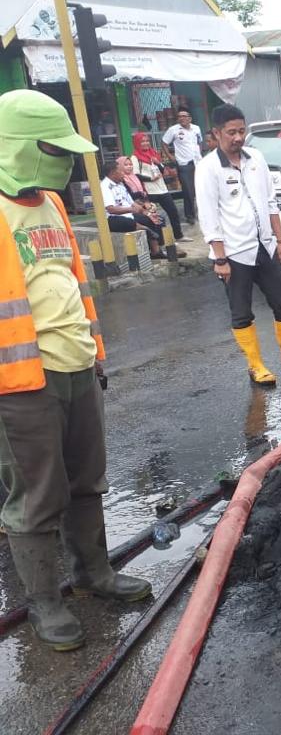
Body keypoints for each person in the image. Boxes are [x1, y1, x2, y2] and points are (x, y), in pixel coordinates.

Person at [0, 89, 152, 652]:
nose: (63, 162)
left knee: (87, 482)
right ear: (17, 146)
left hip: (77, 366)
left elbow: (70, 287)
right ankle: (44, 602)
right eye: (52, 148)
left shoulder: (53, 204)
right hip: (19, 384)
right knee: (38, 495)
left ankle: (94, 572)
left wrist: (94, 353)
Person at [195, 104, 281, 385]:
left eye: (241, 131)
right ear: (216, 133)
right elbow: (209, 216)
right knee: (241, 311)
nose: (238, 138)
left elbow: (270, 201)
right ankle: (255, 365)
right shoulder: (207, 169)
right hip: (234, 251)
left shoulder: (256, 159)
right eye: (231, 133)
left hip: (264, 246)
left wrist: (280, 240)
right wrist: (220, 259)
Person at [100, 160, 168, 260]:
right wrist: (131, 209)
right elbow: (111, 209)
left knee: (156, 219)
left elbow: (132, 203)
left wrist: (147, 213)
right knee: (128, 222)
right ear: (113, 173)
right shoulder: (105, 187)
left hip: (129, 214)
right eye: (121, 171)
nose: (124, 174)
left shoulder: (120, 184)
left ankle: (156, 251)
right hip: (113, 218)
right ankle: (146, 230)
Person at [131, 133, 189, 242]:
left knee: (173, 211)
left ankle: (179, 235)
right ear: (137, 143)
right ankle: (159, 241)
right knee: (152, 216)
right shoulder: (135, 157)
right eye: (142, 141)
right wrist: (150, 179)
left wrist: (158, 163)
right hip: (149, 191)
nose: (145, 143)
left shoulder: (154, 153)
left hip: (162, 189)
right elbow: (136, 175)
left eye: (147, 141)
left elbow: (163, 171)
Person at [162, 107, 203, 225]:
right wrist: (171, 157)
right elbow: (164, 143)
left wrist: (199, 153)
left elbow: (199, 142)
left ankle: (201, 213)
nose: (182, 118)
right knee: (188, 191)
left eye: (184, 116)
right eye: (180, 116)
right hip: (184, 165)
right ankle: (189, 216)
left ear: (190, 118)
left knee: (199, 189)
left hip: (197, 163)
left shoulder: (196, 128)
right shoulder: (173, 130)